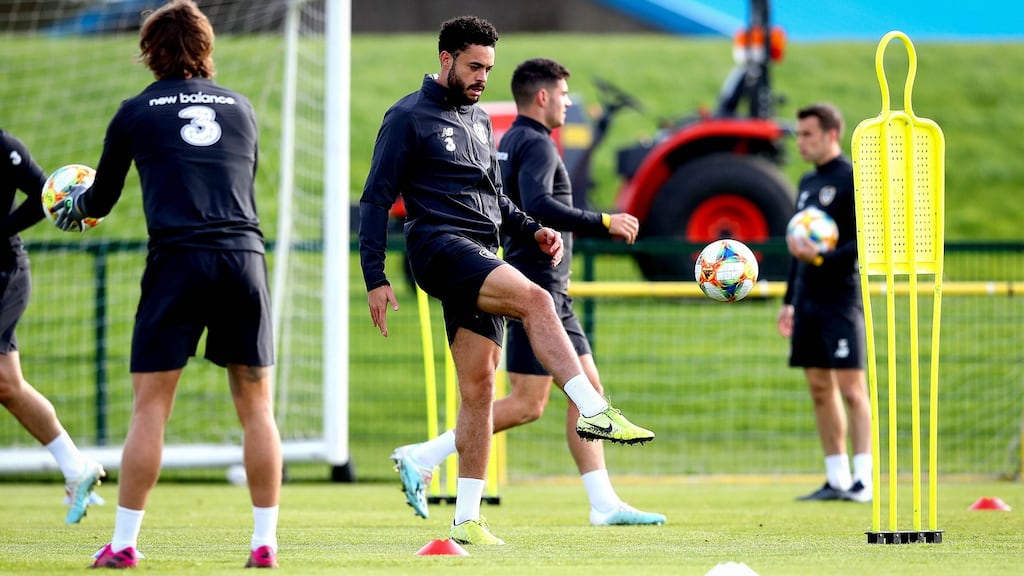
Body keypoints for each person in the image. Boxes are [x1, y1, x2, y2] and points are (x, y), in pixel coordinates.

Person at [359, 16, 655, 546]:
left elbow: (495, 196)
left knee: (479, 387)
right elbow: (376, 198)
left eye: (488, 69)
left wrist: (535, 228)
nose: (481, 78)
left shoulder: (478, 119)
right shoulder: (406, 116)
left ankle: (466, 519)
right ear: (445, 59)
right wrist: (375, 276)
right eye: (474, 66)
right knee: (537, 300)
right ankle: (594, 410)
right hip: (439, 246)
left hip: (480, 248)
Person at [51, 0, 282, 568]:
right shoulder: (242, 108)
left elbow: (98, 202)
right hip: (241, 259)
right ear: (205, 47)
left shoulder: (135, 112)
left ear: (150, 52)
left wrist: (68, 205)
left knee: (151, 408)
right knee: (256, 407)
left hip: (177, 262)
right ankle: (265, 543)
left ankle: (125, 543)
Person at [0, 129, 106, 524]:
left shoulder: (5, 147)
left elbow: (47, 197)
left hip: (4, 275)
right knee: (8, 386)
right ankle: (76, 468)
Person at [778, 103, 871, 503]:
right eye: (798, 134)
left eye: (808, 134)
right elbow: (796, 250)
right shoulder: (805, 182)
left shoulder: (852, 179)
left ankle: (863, 482)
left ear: (832, 134)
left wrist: (818, 258)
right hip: (807, 299)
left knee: (852, 389)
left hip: (840, 298)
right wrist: (788, 301)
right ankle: (836, 478)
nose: (800, 142)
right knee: (819, 387)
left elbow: (861, 244)